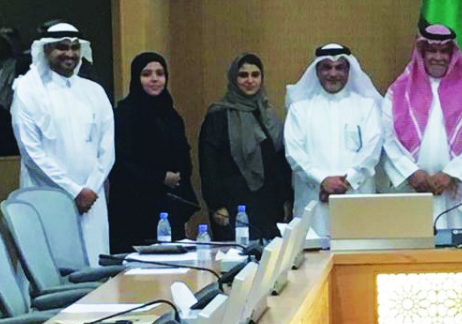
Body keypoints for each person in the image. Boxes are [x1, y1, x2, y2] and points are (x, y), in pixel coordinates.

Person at [11, 22, 114, 264]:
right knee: (50, 268)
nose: (69, 54)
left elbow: (107, 149)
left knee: (94, 264)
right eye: (62, 47)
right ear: (46, 50)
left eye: (74, 47)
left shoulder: (94, 91)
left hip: (92, 200)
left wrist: (90, 189)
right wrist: (74, 191)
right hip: (47, 197)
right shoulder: (27, 90)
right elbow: (31, 152)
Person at [382, 24, 462, 230]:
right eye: (431, 50)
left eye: (444, 52)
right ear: (422, 53)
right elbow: (387, 138)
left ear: (453, 55)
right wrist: (411, 173)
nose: (437, 57)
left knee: (457, 256)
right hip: (413, 189)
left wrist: (451, 174)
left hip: (456, 191)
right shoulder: (397, 92)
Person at [285, 43, 384, 236]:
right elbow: (294, 153)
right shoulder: (300, 108)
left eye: (339, 67)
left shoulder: (366, 106)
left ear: (349, 71)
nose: (333, 73)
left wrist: (345, 182)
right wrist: (322, 180)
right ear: (317, 71)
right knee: (313, 259)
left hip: (355, 197)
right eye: (326, 67)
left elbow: (372, 150)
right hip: (314, 199)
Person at [108, 52, 198, 252]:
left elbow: (183, 154)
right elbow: (121, 162)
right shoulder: (124, 114)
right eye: (146, 74)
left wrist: (179, 178)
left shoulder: (171, 114)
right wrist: (159, 177)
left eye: (160, 73)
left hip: (169, 205)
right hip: (134, 207)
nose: (155, 79)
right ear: (136, 78)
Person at [199, 53, 290, 242]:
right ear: (234, 78)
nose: (250, 81)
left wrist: (286, 199)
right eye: (243, 75)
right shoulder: (219, 115)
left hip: (268, 204)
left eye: (255, 75)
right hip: (232, 206)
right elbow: (208, 164)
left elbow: (279, 159)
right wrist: (216, 205)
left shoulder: (268, 113)